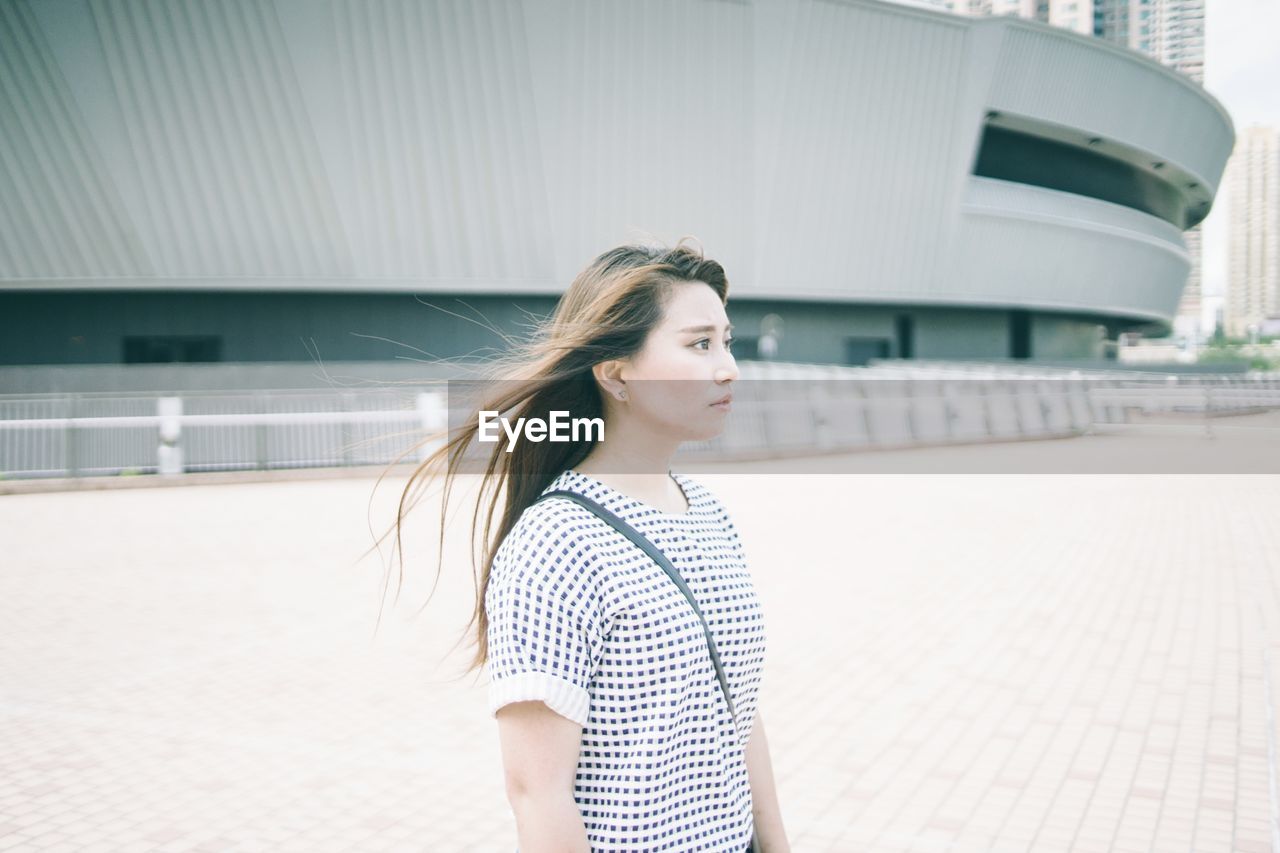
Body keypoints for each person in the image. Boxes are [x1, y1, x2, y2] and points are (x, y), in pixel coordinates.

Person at [378, 238, 788, 851]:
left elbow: (738, 711)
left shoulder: (709, 515)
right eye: (700, 344)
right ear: (617, 374)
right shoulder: (557, 544)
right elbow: (537, 795)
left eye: (727, 342)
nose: (729, 367)